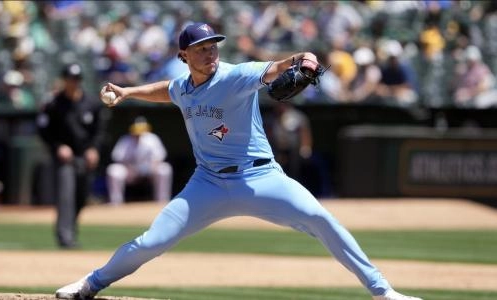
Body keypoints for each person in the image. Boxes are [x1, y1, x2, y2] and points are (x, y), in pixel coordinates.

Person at [55, 22, 423, 300]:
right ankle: (90, 284)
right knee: (152, 241)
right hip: (208, 183)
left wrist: (303, 59)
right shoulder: (182, 86)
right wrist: (129, 92)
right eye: (200, 47)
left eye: (213, 44)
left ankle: (383, 291)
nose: (210, 51)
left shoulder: (236, 76)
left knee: (320, 218)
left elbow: (279, 66)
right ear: (183, 55)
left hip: (260, 178)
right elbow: (166, 92)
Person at [37, 63, 109, 249]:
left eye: (77, 79)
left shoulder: (91, 103)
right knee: (66, 195)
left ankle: (71, 230)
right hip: (64, 159)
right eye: (70, 79)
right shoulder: (54, 104)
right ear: (64, 80)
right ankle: (65, 236)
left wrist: (94, 149)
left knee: (81, 197)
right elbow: (44, 130)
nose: (74, 82)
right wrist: (58, 146)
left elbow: (99, 131)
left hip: (84, 157)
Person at [106, 116, 172, 205]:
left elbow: (160, 157)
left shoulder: (152, 138)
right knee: (113, 170)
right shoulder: (125, 140)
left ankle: (162, 201)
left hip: (149, 170)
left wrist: (153, 168)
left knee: (164, 169)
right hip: (131, 171)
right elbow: (118, 158)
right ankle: (116, 202)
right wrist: (129, 169)